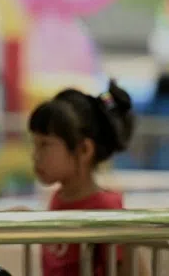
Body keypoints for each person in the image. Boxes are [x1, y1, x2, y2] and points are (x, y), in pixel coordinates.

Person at [29, 81, 140, 276]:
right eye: (35, 144)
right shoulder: (58, 198)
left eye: (45, 145)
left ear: (84, 150)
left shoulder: (107, 209)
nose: (35, 155)